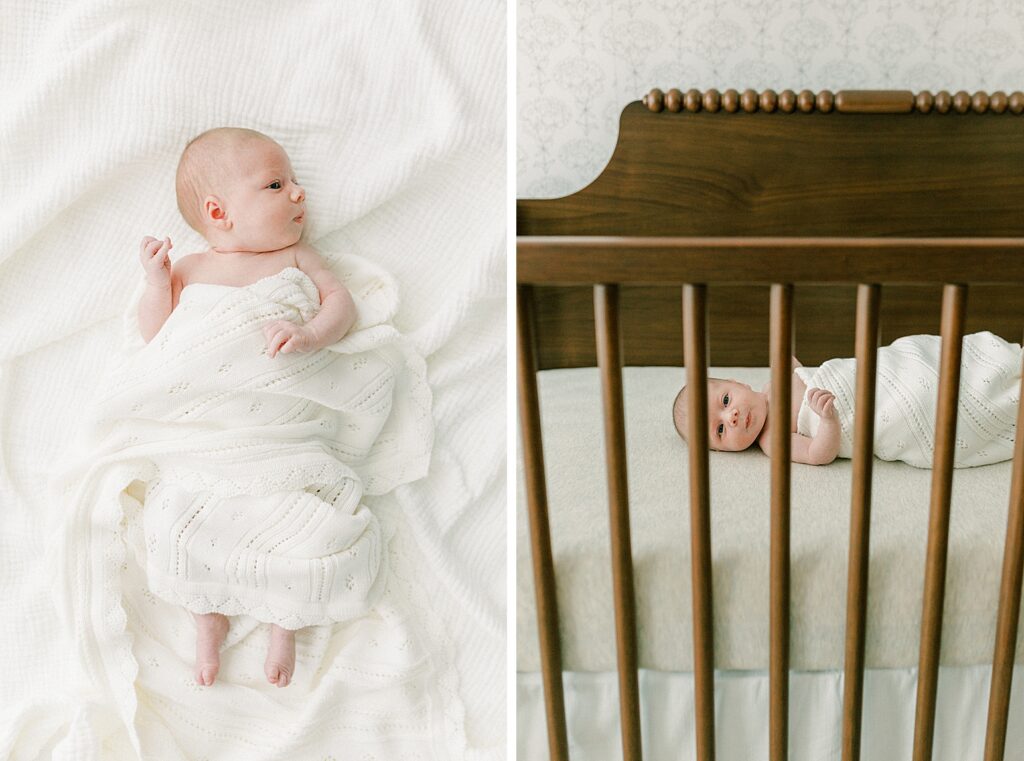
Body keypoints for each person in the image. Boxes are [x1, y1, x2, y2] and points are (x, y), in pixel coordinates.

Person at [137, 127, 358, 688]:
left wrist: (309, 334)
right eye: (276, 183)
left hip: (277, 429)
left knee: (301, 522)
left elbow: (342, 305)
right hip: (209, 433)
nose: (299, 193)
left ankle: (282, 619)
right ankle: (206, 621)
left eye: (295, 182)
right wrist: (156, 281)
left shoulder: (297, 256)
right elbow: (157, 337)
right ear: (219, 211)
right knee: (172, 521)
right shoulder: (189, 269)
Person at [673, 332, 1022, 469]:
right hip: (876, 412)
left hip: (880, 374)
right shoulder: (771, 441)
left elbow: (800, 369)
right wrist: (826, 421)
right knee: (926, 399)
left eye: (725, 400)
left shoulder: (772, 380)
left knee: (924, 358)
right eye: (720, 429)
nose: (731, 416)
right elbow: (817, 454)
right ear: (723, 451)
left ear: (736, 382)